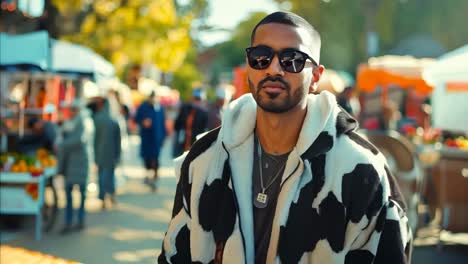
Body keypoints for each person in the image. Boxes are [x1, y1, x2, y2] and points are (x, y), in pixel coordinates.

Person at [158, 11, 412, 264]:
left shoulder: (361, 169)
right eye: (261, 57)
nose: (274, 68)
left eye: (292, 59)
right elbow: (173, 255)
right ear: (249, 66)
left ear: (315, 77)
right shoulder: (205, 159)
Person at [56, 99, 91, 234]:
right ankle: (69, 221)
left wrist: (62, 144)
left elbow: (79, 140)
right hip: (70, 164)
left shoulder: (84, 122)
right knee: (69, 195)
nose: (72, 112)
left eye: (74, 109)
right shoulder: (69, 123)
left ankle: (80, 220)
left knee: (81, 194)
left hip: (81, 163)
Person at [92, 97, 121, 209]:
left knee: (101, 176)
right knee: (110, 176)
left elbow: (94, 139)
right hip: (111, 153)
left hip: (100, 153)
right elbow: (118, 140)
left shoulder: (97, 119)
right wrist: (118, 154)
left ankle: (103, 198)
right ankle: (111, 195)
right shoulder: (113, 120)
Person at [135, 90, 167, 191]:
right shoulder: (143, 107)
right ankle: (148, 176)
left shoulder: (160, 108)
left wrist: (163, 136)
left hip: (157, 138)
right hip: (146, 138)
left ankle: (154, 177)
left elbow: (162, 123)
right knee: (147, 158)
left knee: (155, 158)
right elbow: (136, 118)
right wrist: (142, 122)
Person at [173, 88, 208, 157]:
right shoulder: (185, 108)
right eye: (195, 98)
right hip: (183, 141)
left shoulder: (204, 113)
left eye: (198, 99)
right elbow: (177, 124)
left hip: (195, 143)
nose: (196, 101)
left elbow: (204, 129)